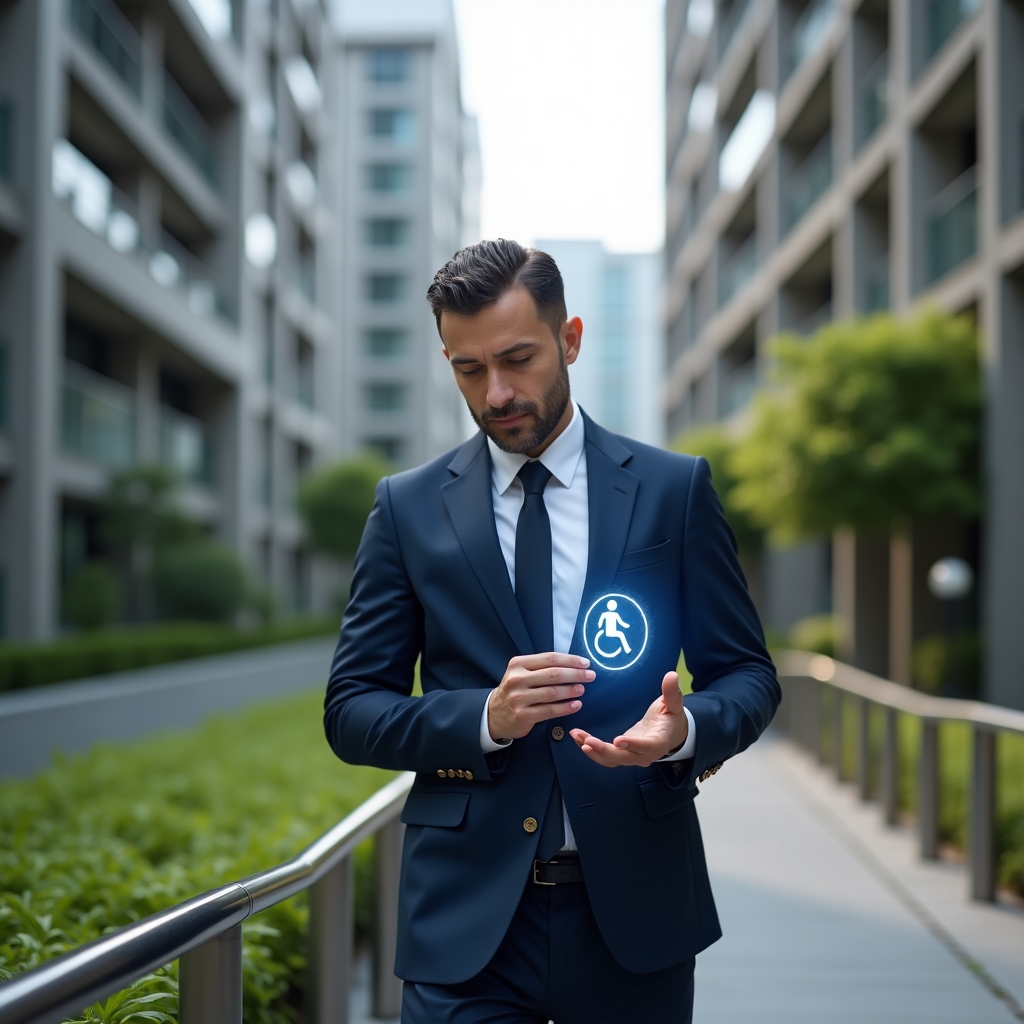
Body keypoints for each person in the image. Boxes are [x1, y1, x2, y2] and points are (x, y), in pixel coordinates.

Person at [325, 240, 780, 1023]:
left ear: (569, 339)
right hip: (464, 927)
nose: (497, 392)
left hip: (635, 915)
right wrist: (482, 720)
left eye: (518, 359)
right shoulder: (406, 508)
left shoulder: (673, 490)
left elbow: (748, 675)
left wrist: (682, 733)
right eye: (469, 370)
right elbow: (352, 709)